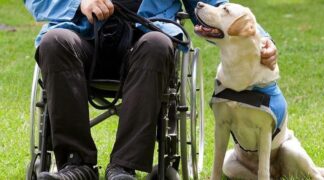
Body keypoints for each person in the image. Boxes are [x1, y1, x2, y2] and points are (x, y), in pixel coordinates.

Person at [24, 0, 278, 179]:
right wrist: (78, 3)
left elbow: (214, 4)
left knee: (157, 43)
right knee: (53, 42)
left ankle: (124, 168)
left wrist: (261, 40)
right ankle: (75, 164)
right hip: (82, 36)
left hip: (145, 38)